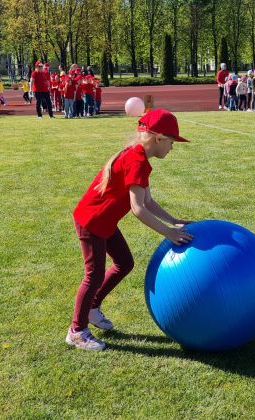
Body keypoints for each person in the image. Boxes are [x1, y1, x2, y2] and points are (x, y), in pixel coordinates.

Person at [67, 109, 193, 351]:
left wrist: (173, 220)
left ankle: (92, 308)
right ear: (158, 139)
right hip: (92, 222)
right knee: (93, 275)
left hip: (104, 222)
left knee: (124, 263)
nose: (173, 147)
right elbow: (138, 209)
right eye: (172, 142)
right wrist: (169, 233)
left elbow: (148, 201)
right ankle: (77, 331)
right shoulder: (136, 161)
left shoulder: (140, 159)